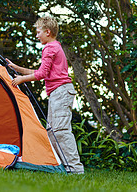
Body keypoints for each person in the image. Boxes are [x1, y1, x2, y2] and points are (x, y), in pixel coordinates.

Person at [7, 16, 84, 174]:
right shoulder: (55, 46)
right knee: (52, 131)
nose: (36, 35)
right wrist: (17, 68)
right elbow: (41, 73)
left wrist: (21, 80)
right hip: (60, 92)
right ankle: (65, 166)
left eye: (38, 32)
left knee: (61, 131)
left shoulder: (50, 48)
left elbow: (40, 74)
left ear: (47, 32)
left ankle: (75, 170)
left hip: (61, 92)